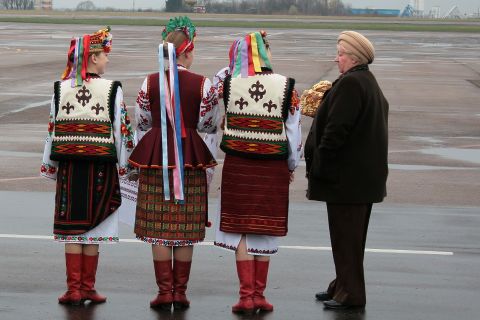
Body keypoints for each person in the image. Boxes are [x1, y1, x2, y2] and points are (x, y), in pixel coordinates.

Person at [128, 16, 219, 311]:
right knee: (185, 227)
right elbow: (209, 123)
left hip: (156, 159)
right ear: (188, 52)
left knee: (159, 226)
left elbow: (142, 118)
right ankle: (179, 292)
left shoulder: (150, 80)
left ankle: (164, 291)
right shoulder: (203, 84)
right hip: (190, 160)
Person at [41, 26, 135, 305]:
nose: (107, 60)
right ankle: (86, 287)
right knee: (94, 227)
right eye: (105, 55)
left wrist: (50, 166)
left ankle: (75, 288)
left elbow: (52, 130)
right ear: (93, 57)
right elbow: (122, 131)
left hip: (70, 168)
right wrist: (125, 166)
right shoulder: (111, 89)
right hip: (101, 169)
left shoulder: (60, 88)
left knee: (72, 226)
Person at [213, 31, 302, 314]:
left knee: (240, 228)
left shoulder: (227, 85)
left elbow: (216, 122)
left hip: (238, 165)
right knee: (265, 228)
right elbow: (293, 132)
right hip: (272, 166)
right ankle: (259, 295)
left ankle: (245, 295)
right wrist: (291, 165)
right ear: (265, 54)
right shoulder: (287, 86)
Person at [304, 31, 389, 310]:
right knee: (349, 239)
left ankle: (351, 295)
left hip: (346, 181)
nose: (336, 58)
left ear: (354, 57)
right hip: (359, 180)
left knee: (347, 239)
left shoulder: (352, 84)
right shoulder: (366, 82)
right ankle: (341, 286)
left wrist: (320, 167)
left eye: (340, 54)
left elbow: (335, 132)